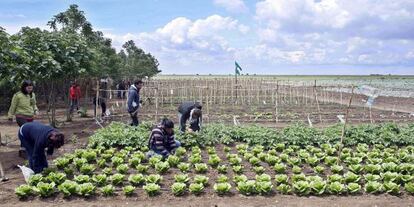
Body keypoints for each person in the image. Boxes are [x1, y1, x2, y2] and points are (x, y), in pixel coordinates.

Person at [8, 80, 39, 157]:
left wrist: (36, 110)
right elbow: (13, 106)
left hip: (30, 117)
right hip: (20, 116)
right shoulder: (17, 95)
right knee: (26, 132)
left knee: (25, 133)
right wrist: (10, 116)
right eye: (28, 88)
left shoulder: (32, 95)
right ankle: (25, 151)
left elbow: (34, 104)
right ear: (24, 87)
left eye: (31, 88)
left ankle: (22, 150)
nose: (30, 90)